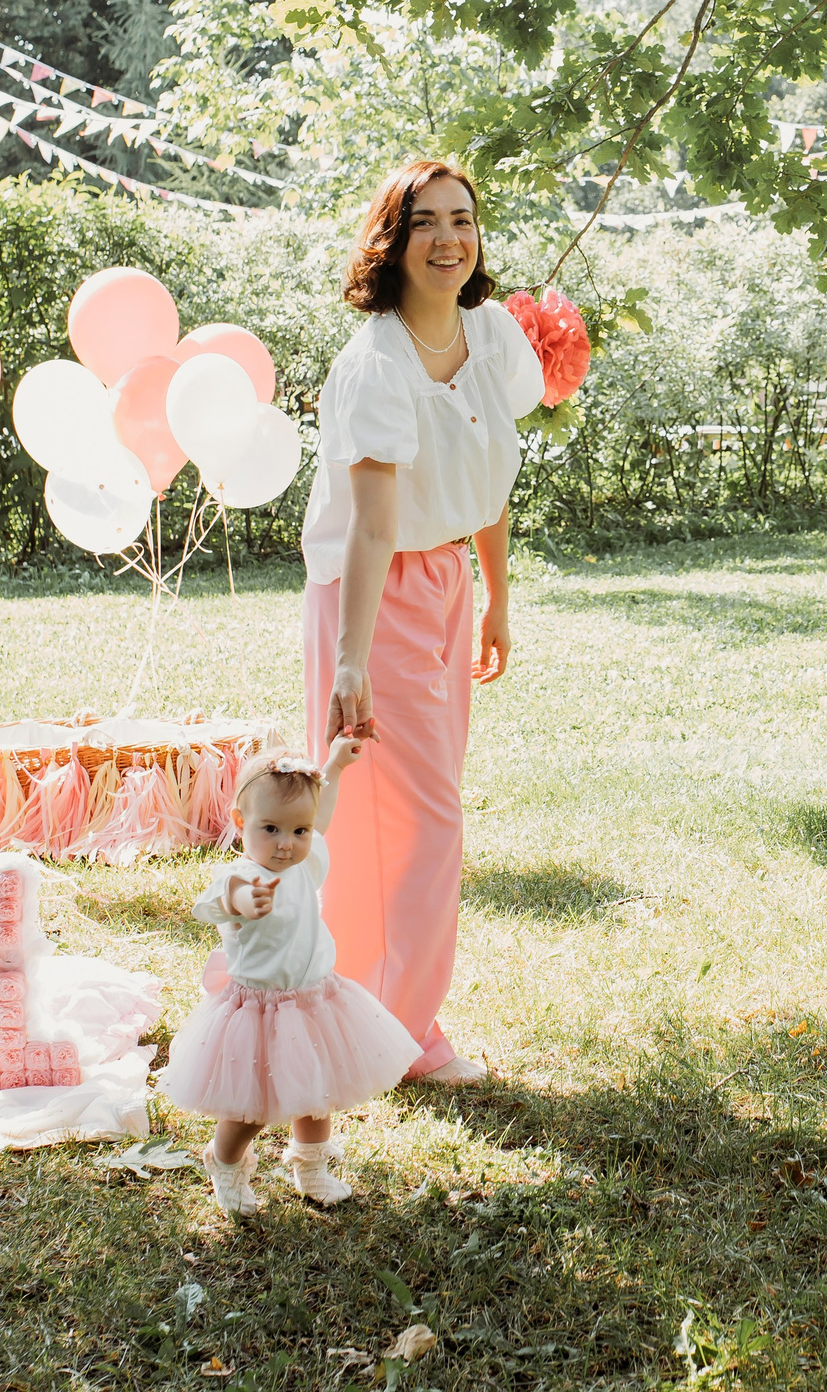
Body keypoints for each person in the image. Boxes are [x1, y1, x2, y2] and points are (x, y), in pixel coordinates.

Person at [301, 158, 548, 1084]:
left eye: (464, 220)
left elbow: (488, 484)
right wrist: (348, 661)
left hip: (442, 580)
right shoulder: (375, 363)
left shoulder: (488, 334)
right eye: (426, 223)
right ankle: (408, 1033)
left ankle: (358, 1002)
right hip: (374, 591)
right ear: (393, 242)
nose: (450, 239)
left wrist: (495, 600)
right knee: (421, 812)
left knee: (402, 808)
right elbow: (370, 525)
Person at [160, 741, 422, 1215]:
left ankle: (311, 1165)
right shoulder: (242, 876)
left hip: (316, 1001)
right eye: (271, 829)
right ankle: (225, 1161)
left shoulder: (303, 860)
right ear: (241, 823)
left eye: (297, 831)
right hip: (258, 1011)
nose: (287, 842)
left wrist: (336, 766)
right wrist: (243, 902)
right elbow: (220, 899)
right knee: (249, 1107)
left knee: (316, 1091)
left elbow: (323, 815)